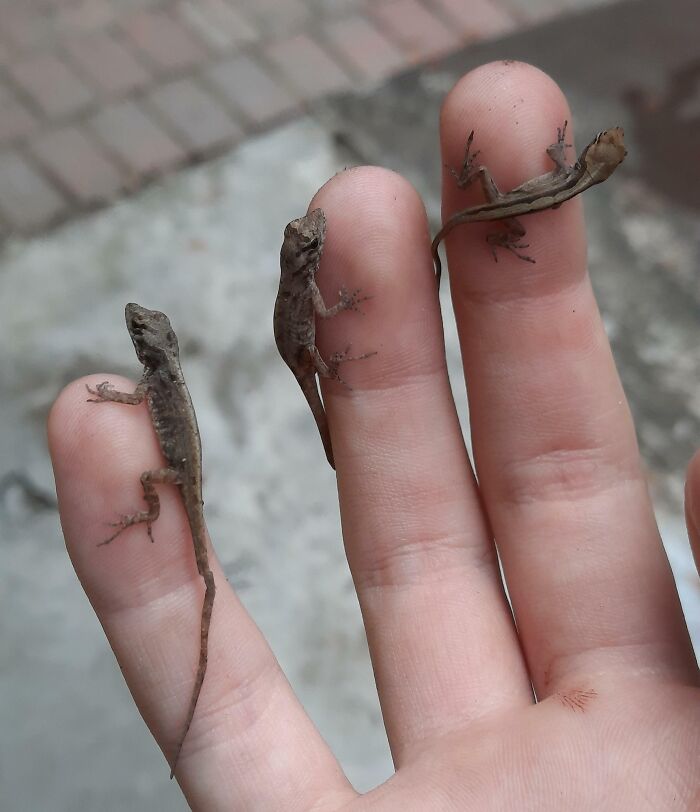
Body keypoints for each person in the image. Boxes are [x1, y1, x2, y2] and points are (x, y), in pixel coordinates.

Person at [49, 62, 700, 809]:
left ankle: (154, 510)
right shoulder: (240, 328)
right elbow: (305, 316)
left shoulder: (214, 340)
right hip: (293, 364)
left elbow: (308, 308)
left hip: (277, 381)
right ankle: (150, 511)